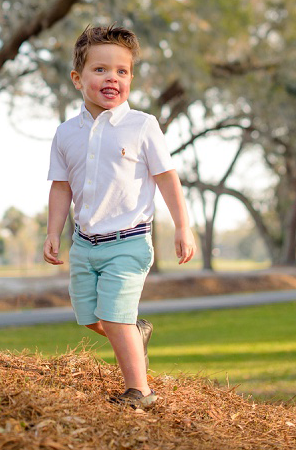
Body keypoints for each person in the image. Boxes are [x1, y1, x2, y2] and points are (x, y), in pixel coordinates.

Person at [42, 24, 196, 407]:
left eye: (122, 71)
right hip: (83, 243)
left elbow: (167, 178)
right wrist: (52, 232)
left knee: (113, 318)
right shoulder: (65, 134)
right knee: (90, 316)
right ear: (78, 78)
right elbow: (61, 187)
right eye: (100, 70)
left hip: (128, 242)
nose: (112, 77)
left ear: (130, 78)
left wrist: (183, 226)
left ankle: (140, 391)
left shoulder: (142, 126)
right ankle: (136, 330)